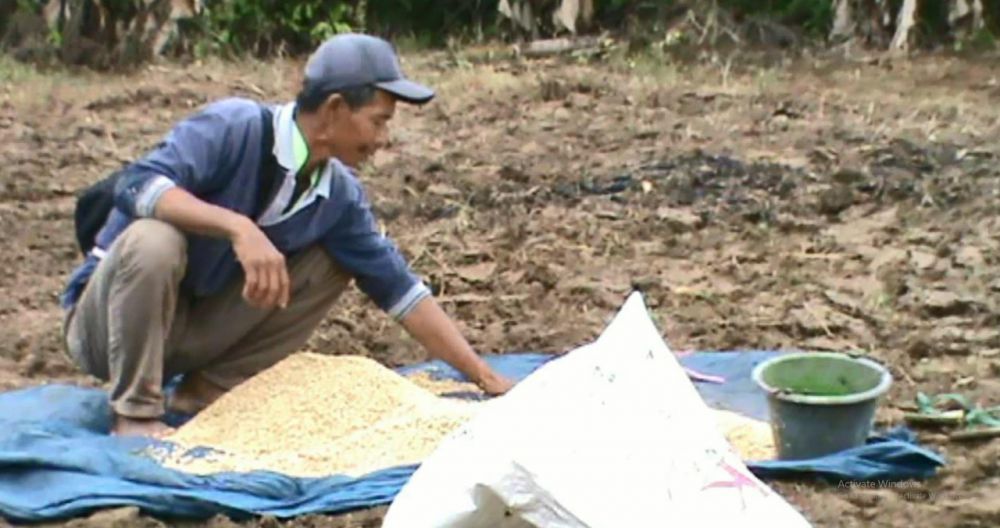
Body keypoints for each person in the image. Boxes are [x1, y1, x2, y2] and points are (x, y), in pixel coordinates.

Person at [60, 33, 514, 437]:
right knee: (154, 239)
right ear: (335, 108)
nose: (383, 139)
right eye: (378, 120)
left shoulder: (337, 194)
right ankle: (135, 415)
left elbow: (401, 292)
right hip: (109, 331)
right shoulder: (232, 128)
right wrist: (237, 227)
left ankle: (204, 392)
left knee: (334, 260)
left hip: (190, 334)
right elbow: (136, 185)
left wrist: (483, 377)